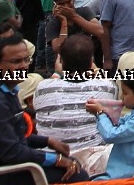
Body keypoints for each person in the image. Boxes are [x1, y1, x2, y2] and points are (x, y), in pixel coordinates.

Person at [0, 35, 84, 182]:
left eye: (26, 59)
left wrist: (48, 141)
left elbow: (14, 135)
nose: (24, 66)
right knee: (78, 175)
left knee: (73, 163)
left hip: (4, 163)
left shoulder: (5, 90)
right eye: (16, 61)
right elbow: (13, 153)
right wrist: (56, 159)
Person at [32, 35, 118, 177]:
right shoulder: (107, 86)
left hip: (52, 163)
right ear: (91, 62)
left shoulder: (42, 87)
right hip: (93, 162)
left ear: (61, 61)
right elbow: (104, 80)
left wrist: (57, 73)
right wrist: (95, 69)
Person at [87, 73, 134, 181]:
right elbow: (117, 123)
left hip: (124, 175)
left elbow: (111, 135)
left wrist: (100, 113)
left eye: (125, 93)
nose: (121, 97)